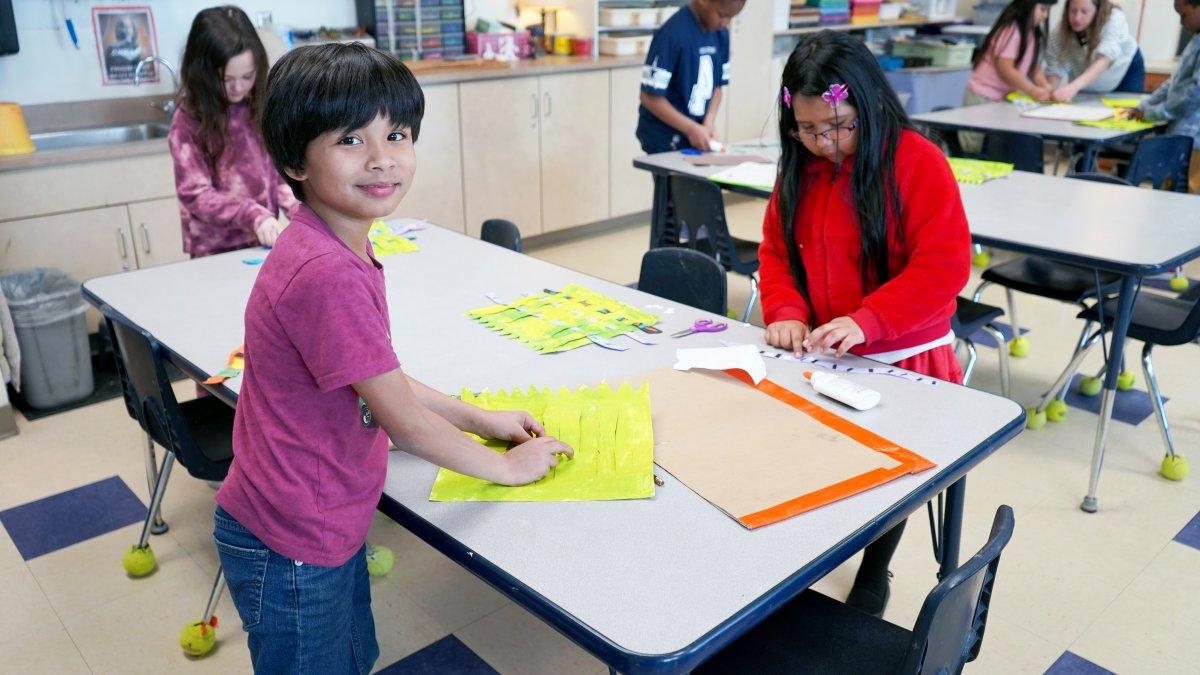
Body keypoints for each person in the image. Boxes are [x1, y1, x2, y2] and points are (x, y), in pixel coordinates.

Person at [213, 43, 574, 672]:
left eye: (398, 134)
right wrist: (508, 470)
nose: (382, 159)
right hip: (293, 539)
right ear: (296, 160)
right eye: (351, 139)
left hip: (313, 522)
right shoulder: (327, 271)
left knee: (354, 656)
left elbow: (378, 380)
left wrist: (480, 419)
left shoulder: (329, 243)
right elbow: (401, 421)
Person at [760, 31, 971, 616]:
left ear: (870, 106)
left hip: (904, 352)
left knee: (887, 479)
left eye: (839, 127)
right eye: (806, 129)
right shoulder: (802, 167)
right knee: (817, 460)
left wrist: (870, 318)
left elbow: (946, 265)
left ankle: (875, 567)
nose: (824, 143)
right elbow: (776, 252)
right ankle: (807, 556)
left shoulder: (916, 162)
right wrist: (785, 312)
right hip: (827, 350)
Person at [169, 6, 298, 258]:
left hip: (262, 243)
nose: (238, 88)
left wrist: (301, 210)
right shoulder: (188, 119)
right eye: (226, 79)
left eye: (247, 76)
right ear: (203, 73)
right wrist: (253, 215)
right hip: (214, 251)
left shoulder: (260, 104)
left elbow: (279, 174)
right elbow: (195, 194)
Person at [636, 0, 746, 153]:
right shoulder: (671, 33)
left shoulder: (721, 35)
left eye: (731, 18)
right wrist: (690, 128)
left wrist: (709, 120)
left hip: (696, 134)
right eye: (722, 15)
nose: (725, 23)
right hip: (665, 139)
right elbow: (649, 97)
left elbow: (718, 86)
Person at [961, 0, 1058, 151]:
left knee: (992, 145)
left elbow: (1033, 67)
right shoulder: (1012, 30)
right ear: (1028, 6)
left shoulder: (1031, 32)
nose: (1045, 15)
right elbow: (1005, 68)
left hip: (999, 99)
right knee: (975, 146)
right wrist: (1032, 90)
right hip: (981, 96)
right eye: (1042, 9)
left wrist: (1045, 86)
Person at [1132, 0, 1200, 193]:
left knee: (1189, 197)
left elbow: (1194, 94)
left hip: (1195, 141)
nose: (1181, 22)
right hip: (1181, 137)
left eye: (1183, 15)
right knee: (1171, 194)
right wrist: (1146, 104)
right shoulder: (1196, 40)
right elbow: (1175, 83)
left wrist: (1153, 113)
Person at [1044, 0, 1139, 101]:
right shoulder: (1059, 32)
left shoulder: (1114, 18)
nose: (1077, 18)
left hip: (1123, 70)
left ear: (1097, 10)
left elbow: (1104, 60)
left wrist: (1073, 87)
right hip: (1087, 77)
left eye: (1084, 12)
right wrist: (1050, 94)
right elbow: (1054, 68)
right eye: (1073, 11)